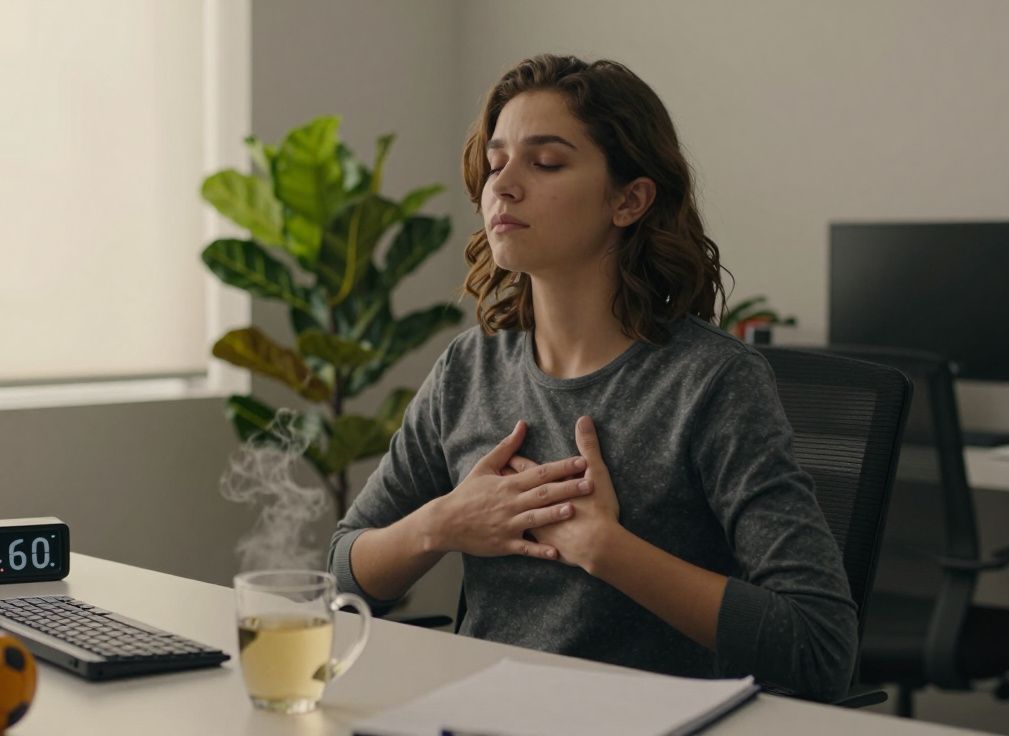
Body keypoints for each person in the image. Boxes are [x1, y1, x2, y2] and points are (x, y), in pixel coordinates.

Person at [327, 54, 857, 702]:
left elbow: (818, 645)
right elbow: (343, 576)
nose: (504, 185)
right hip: (481, 713)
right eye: (495, 163)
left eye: (545, 162)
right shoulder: (469, 370)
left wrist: (605, 548)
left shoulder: (712, 382)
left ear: (629, 200)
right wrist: (443, 523)